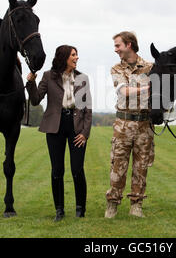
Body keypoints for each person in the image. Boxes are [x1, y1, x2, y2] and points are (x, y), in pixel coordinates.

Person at [26, 45, 92, 221]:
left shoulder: (83, 78)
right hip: (55, 126)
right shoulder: (49, 76)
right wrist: (31, 82)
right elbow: (35, 100)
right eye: (73, 55)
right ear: (64, 57)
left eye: (77, 55)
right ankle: (59, 211)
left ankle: (80, 209)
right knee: (57, 170)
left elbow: (87, 109)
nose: (77, 58)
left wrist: (85, 133)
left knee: (77, 169)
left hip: (76, 126)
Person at [105, 31, 155, 218]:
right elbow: (124, 91)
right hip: (123, 124)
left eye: (118, 45)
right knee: (118, 167)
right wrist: (149, 87)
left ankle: (136, 205)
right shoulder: (116, 69)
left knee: (141, 168)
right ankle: (112, 204)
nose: (116, 49)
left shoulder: (151, 68)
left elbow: (161, 94)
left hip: (145, 125)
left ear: (129, 45)